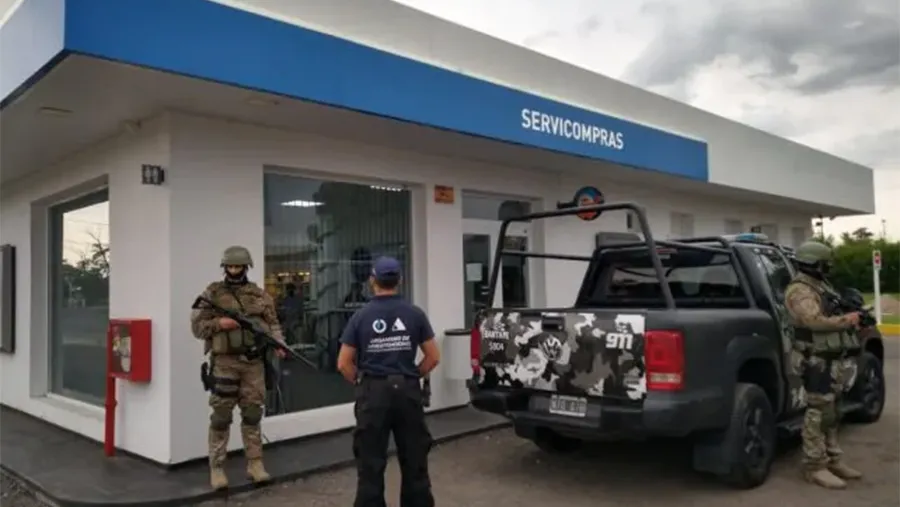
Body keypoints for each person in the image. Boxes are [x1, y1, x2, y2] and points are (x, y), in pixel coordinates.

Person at [336, 256, 441, 507]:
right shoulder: (415, 314)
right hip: (407, 392)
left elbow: (343, 363)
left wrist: (361, 382)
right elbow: (433, 357)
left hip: (374, 393)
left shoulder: (361, 316)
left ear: (373, 281)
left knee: (370, 462)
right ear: (400, 281)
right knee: (414, 459)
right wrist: (413, 374)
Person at [190, 246, 286, 490]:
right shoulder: (213, 294)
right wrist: (219, 323)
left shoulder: (259, 295)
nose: (234, 271)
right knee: (221, 415)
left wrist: (279, 344)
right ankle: (217, 467)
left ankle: (255, 464)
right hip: (225, 363)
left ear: (246, 267)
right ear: (225, 268)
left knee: (252, 413)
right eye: (230, 267)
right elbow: (197, 327)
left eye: (239, 267)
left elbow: (273, 323)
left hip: (253, 363)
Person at [784, 240, 862, 489]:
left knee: (832, 411)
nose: (828, 268)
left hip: (829, 357)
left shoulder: (820, 286)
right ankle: (814, 465)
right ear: (812, 264)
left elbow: (830, 310)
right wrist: (846, 320)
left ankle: (832, 458)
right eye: (824, 264)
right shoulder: (800, 290)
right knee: (818, 411)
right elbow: (814, 321)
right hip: (814, 359)